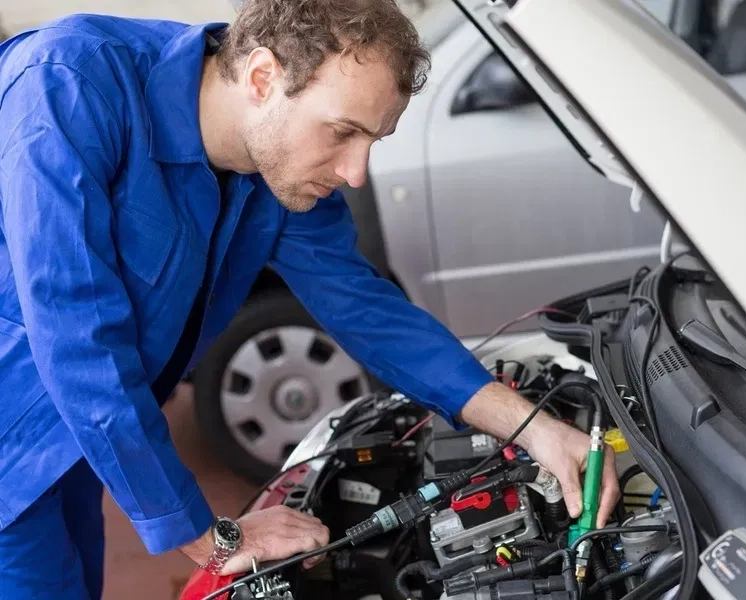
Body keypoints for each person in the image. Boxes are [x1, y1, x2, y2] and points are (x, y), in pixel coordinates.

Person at [0, 0, 620, 597]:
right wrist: (209, 539)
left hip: (81, 441)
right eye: (343, 133)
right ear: (264, 76)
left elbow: (366, 308)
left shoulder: (277, 170)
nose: (355, 173)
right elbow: (78, 336)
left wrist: (533, 428)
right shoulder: (69, 85)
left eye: (372, 142)